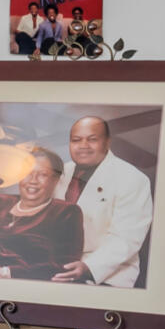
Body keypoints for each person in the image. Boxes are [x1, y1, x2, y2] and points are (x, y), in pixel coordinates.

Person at [53, 114, 154, 287]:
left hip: (106, 274)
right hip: (59, 267)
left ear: (107, 142)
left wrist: (88, 266)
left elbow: (126, 238)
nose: (83, 146)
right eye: (76, 140)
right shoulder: (61, 172)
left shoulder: (133, 178)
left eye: (92, 139)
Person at [0, 147, 84, 280]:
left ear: (55, 180)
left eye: (43, 174)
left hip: (25, 287)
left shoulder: (66, 213)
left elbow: (67, 266)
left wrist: (5, 273)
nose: (33, 180)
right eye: (27, 172)